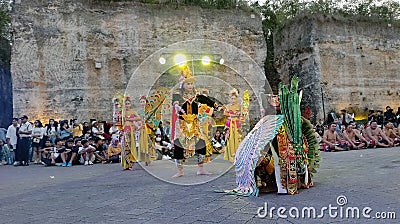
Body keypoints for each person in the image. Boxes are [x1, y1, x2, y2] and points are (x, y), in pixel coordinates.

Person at [171, 65, 219, 178]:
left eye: (191, 83)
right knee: (178, 145)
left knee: (201, 143)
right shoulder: (178, 94)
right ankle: (180, 170)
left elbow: (205, 99)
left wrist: (214, 105)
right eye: (188, 83)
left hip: (194, 123)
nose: (190, 86)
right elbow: (175, 101)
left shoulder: (196, 96)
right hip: (182, 123)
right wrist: (177, 106)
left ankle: (200, 168)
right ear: (183, 84)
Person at [221, 89, 243, 162]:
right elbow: (225, 113)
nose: (233, 100)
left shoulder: (239, 106)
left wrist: (240, 114)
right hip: (229, 123)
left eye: (234, 98)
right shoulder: (228, 106)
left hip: (237, 123)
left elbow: (242, 115)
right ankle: (230, 154)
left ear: (237, 99)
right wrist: (232, 114)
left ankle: (238, 154)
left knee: (238, 138)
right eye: (232, 98)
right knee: (229, 138)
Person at [121, 96, 140, 170]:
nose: (127, 105)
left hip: (132, 131)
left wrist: (129, 119)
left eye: (128, 104)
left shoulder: (133, 112)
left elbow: (138, 118)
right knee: (125, 147)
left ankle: (131, 163)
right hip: (125, 131)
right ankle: (127, 164)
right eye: (126, 104)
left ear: (130, 104)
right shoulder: (123, 112)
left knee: (131, 147)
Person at [137, 95, 156, 166]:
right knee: (143, 144)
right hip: (142, 129)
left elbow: (153, 120)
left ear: (146, 102)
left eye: (143, 101)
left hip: (148, 129)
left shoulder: (150, 111)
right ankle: (145, 158)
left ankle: (149, 158)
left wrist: (148, 123)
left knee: (149, 144)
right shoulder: (139, 112)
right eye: (141, 102)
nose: (142, 103)